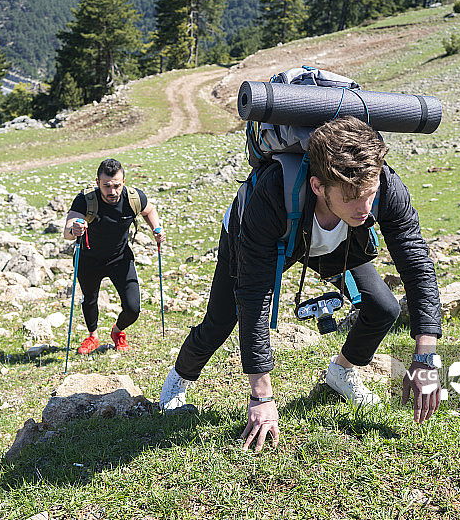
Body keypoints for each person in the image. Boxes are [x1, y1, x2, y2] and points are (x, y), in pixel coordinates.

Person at [159, 116, 442, 452]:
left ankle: (341, 372)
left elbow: (415, 261)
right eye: (352, 197)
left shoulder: (383, 188)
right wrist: (261, 395)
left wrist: (426, 357)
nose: (365, 207)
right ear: (317, 185)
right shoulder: (273, 195)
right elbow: (254, 296)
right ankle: (177, 380)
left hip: (335, 241)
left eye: (370, 194)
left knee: (383, 308)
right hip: (270, 234)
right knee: (222, 320)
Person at [64, 158, 166, 354]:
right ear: (97, 183)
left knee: (133, 308)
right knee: (90, 299)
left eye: (117, 186)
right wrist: (74, 229)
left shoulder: (134, 198)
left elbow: (149, 210)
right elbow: (68, 231)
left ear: (123, 182)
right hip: (89, 259)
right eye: (106, 186)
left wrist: (157, 229)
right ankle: (92, 336)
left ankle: (117, 331)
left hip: (120, 259)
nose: (112, 191)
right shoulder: (86, 200)